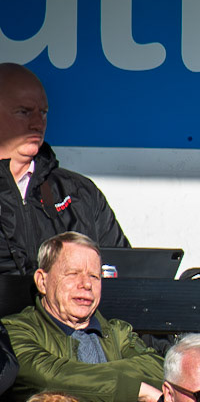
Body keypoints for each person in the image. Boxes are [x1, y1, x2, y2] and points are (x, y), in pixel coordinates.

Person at [2, 232, 163, 402]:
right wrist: (136, 389)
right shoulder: (17, 330)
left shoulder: (117, 332)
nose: (86, 284)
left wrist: (79, 380)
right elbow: (46, 374)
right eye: (72, 273)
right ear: (42, 281)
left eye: (94, 276)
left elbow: (158, 369)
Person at [0, 63, 128, 280]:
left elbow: (124, 273)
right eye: (24, 112)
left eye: (43, 113)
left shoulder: (80, 192)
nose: (37, 123)